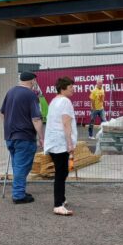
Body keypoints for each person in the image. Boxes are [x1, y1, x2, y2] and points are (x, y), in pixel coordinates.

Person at [0, 71, 44, 204]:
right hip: (25, 136)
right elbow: (36, 119)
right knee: (22, 166)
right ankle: (18, 195)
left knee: (17, 165)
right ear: (32, 81)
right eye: (35, 81)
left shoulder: (11, 92)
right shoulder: (31, 95)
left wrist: (9, 126)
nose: (35, 84)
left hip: (10, 136)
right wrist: (41, 137)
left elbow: (2, 113)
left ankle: (19, 190)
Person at [44, 77, 77, 216]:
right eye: (71, 87)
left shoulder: (54, 101)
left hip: (53, 142)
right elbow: (66, 123)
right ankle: (58, 205)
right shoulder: (65, 101)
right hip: (60, 143)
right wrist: (69, 143)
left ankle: (61, 199)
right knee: (61, 173)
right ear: (63, 88)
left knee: (61, 172)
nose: (73, 89)